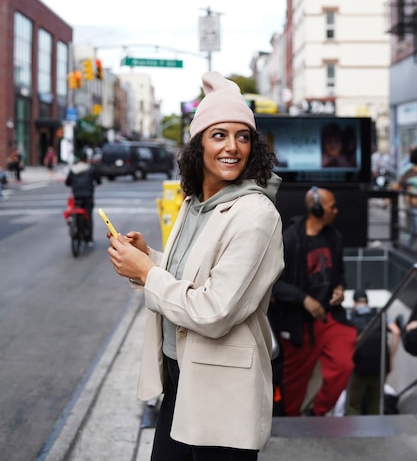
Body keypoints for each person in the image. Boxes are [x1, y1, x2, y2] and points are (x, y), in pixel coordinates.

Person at [106, 71, 284, 461]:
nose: (232, 147)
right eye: (219, 134)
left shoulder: (256, 214)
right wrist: (148, 258)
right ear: (198, 144)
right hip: (179, 377)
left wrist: (145, 272)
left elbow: (214, 310)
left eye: (242, 136)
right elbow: (191, 279)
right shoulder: (194, 203)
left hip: (223, 389)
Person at [268, 186, 357, 417]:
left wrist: (339, 288)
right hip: (297, 325)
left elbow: (339, 273)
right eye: (331, 207)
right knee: (292, 388)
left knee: (343, 365)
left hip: (328, 318)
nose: (336, 211)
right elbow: (273, 283)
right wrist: (304, 299)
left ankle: (317, 414)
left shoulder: (334, 237)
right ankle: (291, 427)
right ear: (316, 209)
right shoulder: (289, 239)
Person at [347, 289, 401, 415]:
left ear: (354, 302)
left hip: (358, 366)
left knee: (354, 404)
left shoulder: (350, 317)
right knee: (376, 402)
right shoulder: (380, 314)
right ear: (367, 301)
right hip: (379, 365)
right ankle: (375, 432)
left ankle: (353, 433)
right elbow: (396, 332)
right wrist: (390, 358)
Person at [65, 149, 101, 247]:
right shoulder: (91, 169)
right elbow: (98, 180)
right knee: (88, 217)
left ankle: (74, 225)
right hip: (88, 196)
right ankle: (89, 239)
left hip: (77, 196)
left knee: (74, 211)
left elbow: (67, 182)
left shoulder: (73, 169)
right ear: (86, 159)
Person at [396, 147, 417, 246]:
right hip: (412, 205)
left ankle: (407, 247)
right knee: (414, 227)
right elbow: (400, 185)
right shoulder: (409, 170)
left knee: (414, 229)